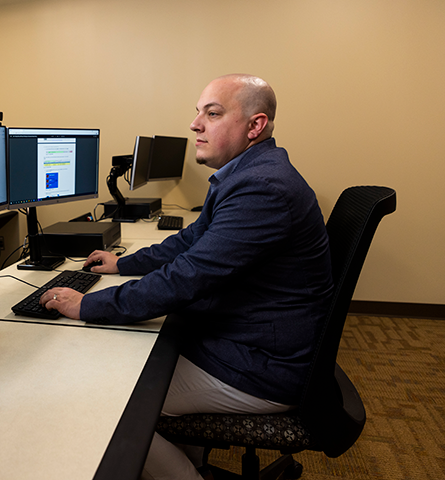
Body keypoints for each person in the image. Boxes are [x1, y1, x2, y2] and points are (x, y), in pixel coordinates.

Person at [40, 74, 333, 480]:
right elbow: (192, 241)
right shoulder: (246, 172)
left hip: (262, 366)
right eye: (198, 112)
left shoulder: (262, 187)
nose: (195, 124)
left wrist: (88, 303)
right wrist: (123, 264)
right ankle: (188, 464)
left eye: (212, 113)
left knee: (107, 398)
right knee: (135, 353)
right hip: (253, 339)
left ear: (255, 126)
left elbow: (187, 277)